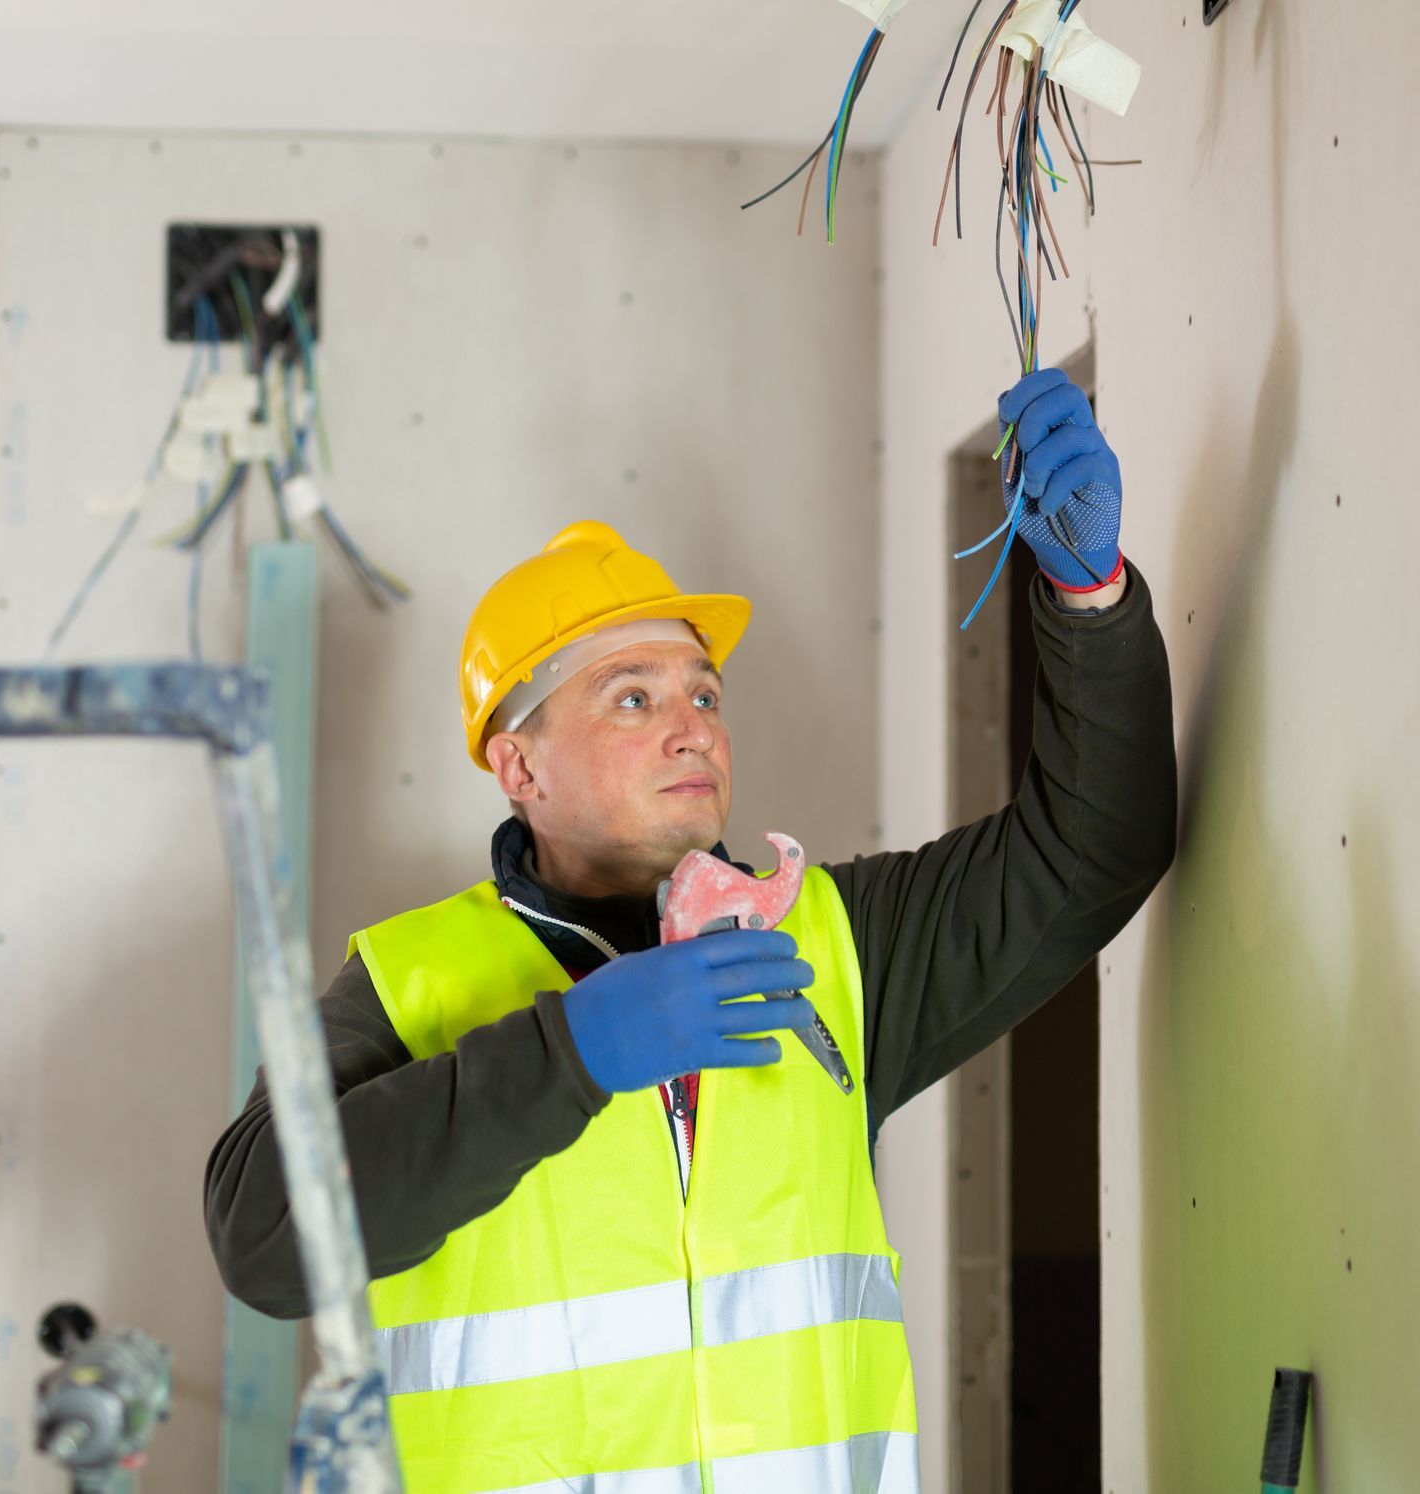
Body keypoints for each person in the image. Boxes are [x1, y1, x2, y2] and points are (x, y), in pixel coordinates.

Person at [205, 368, 1176, 1493]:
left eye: (704, 695)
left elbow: (1090, 851)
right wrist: (568, 1056)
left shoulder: (829, 946)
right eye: (633, 696)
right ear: (519, 765)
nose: (691, 729)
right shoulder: (408, 981)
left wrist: (1090, 600)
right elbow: (263, 1236)